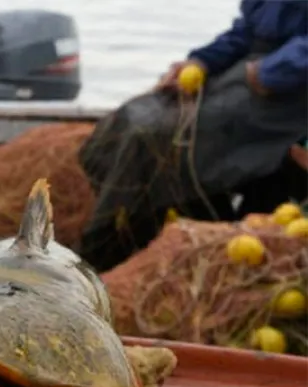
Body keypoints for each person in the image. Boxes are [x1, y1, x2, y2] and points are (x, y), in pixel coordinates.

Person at [78, 0, 307, 272]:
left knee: (152, 137)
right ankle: (134, 233)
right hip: (252, 69)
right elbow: (245, 31)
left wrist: (272, 73)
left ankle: (104, 252)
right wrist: (201, 60)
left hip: (290, 87)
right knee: (133, 119)